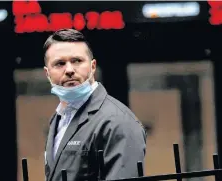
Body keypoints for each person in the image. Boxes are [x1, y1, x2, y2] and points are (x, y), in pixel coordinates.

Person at [43, 29, 147, 181]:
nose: (70, 70)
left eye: (77, 61)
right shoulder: (57, 119)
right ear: (47, 73)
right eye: (60, 63)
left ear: (93, 67)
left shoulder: (118, 121)